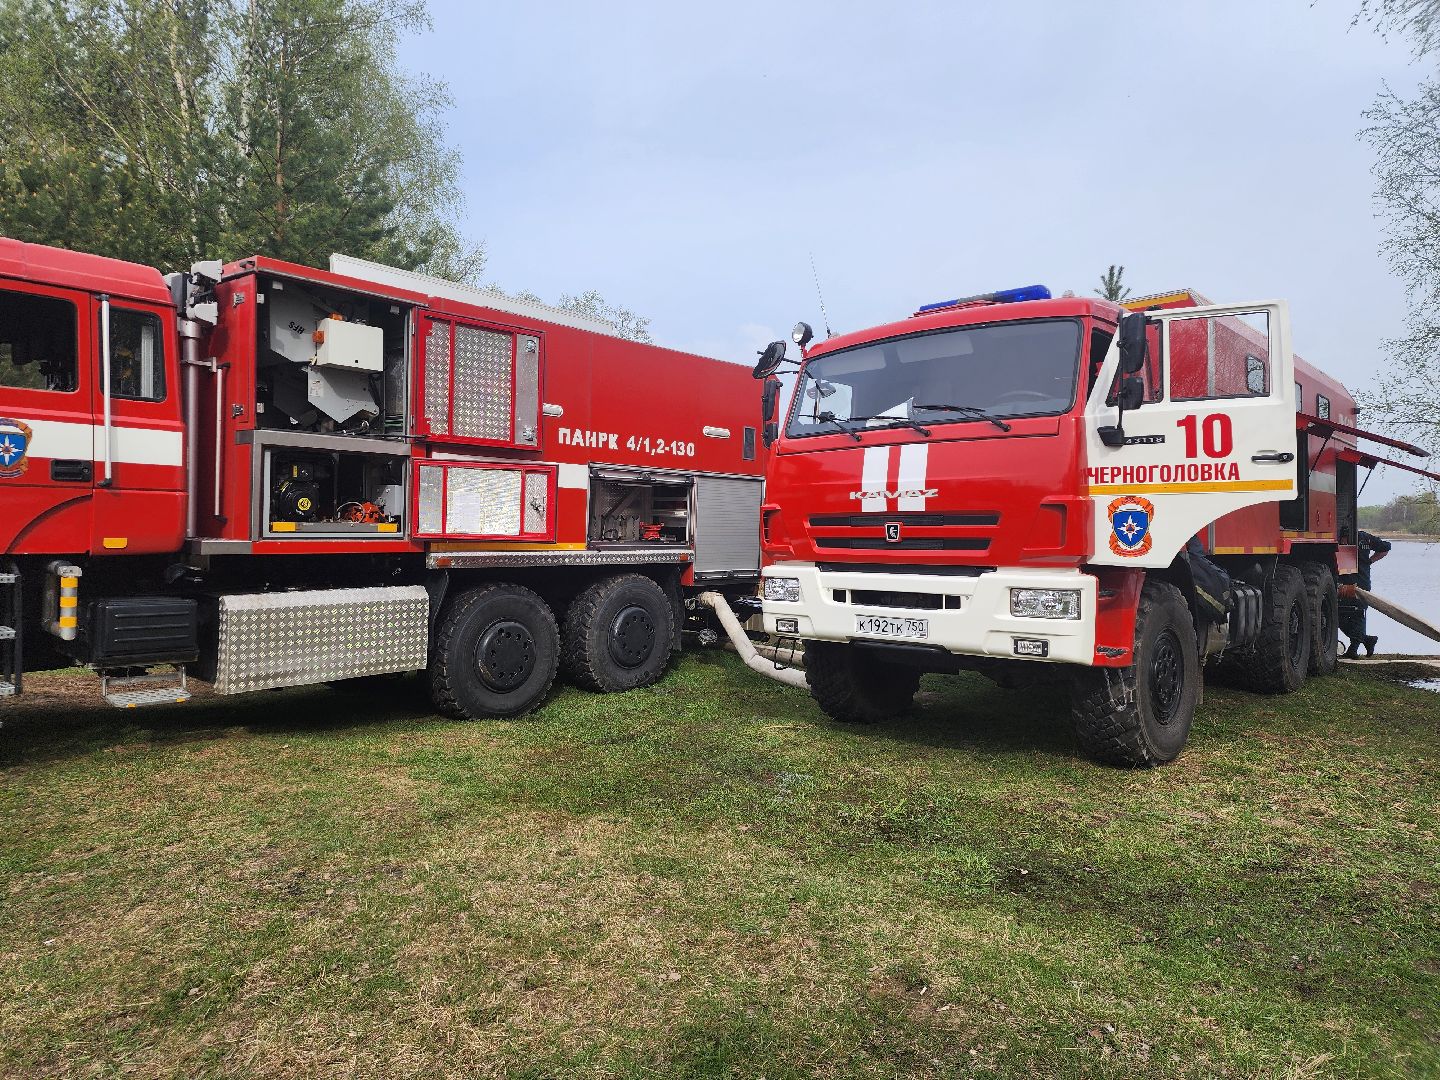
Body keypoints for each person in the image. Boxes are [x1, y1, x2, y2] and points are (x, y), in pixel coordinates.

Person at [1339, 530, 1392, 658]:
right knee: (1339, 615)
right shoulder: (1364, 538)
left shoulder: (1365, 538)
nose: (1344, 542)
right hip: (1346, 583)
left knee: (1358, 614)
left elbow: (1386, 548)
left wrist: (1370, 561)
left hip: (1360, 583)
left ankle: (1354, 649)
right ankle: (1366, 640)